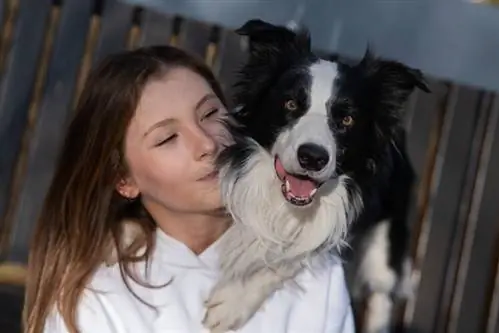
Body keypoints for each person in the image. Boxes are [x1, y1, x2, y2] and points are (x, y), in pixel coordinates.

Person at [24, 45, 355, 333]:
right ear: (124, 179)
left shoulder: (316, 272)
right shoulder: (95, 297)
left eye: (210, 113)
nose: (206, 144)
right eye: (167, 138)